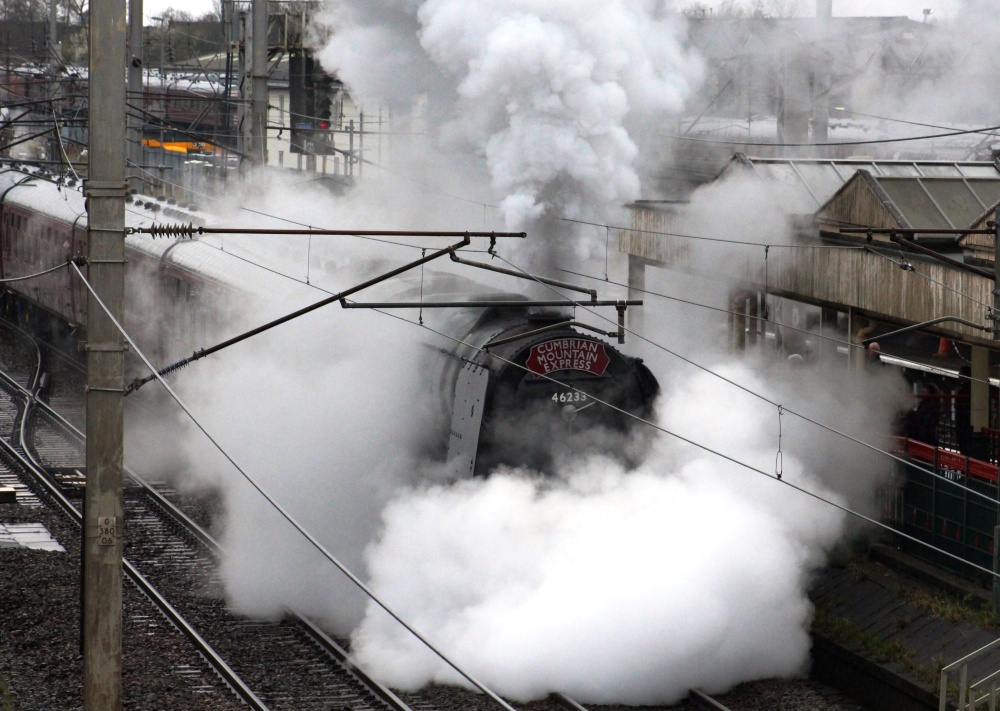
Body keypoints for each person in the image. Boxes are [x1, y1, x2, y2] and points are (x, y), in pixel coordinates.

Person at [954, 366, 972, 454]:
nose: (958, 375)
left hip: (963, 422)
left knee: (964, 446)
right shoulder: (971, 388)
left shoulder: (963, 390)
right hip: (966, 423)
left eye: (960, 373)